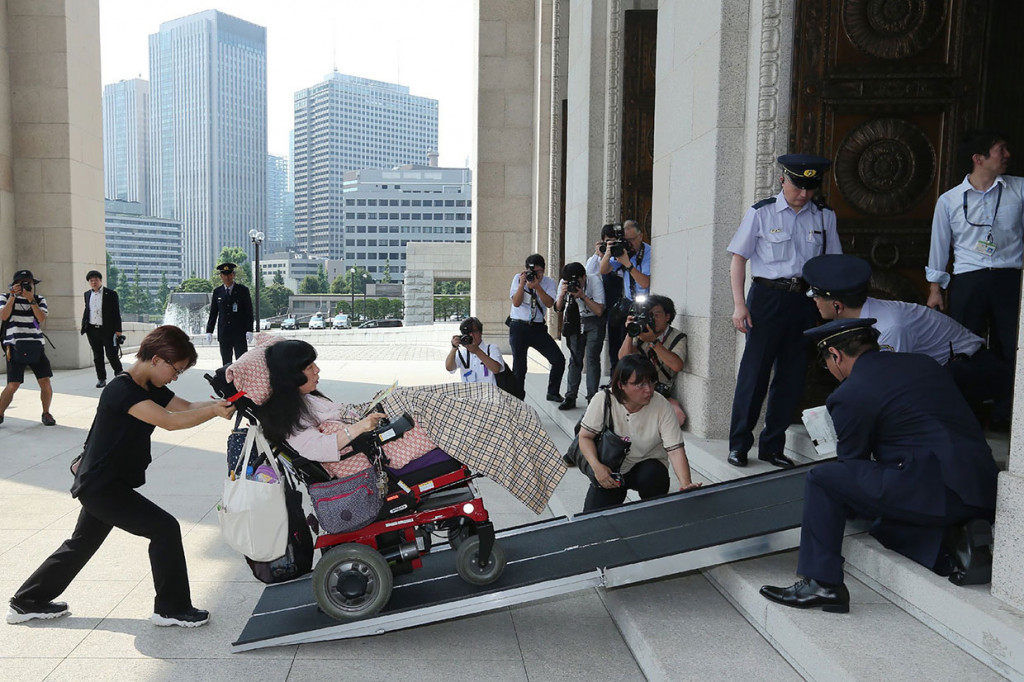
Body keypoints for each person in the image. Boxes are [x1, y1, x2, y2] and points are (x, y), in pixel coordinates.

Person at [759, 319, 998, 614]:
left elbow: (852, 464)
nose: (829, 370)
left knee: (823, 480)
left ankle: (823, 583)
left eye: (826, 363)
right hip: (983, 487)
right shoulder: (924, 363)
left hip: (934, 490)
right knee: (885, 523)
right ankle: (958, 539)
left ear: (836, 355)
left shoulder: (849, 393)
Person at [7, 326, 236, 626]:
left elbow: (188, 407)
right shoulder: (123, 389)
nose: (175, 378)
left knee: (81, 543)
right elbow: (168, 421)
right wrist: (214, 412)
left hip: (107, 483)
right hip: (102, 487)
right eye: (176, 370)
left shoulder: (149, 386)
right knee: (164, 529)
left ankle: (27, 601)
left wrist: (228, 402)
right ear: (157, 359)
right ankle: (171, 608)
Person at [726, 153, 841, 469]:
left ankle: (772, 446)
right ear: (782, 180)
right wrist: (739, 305)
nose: (803, 194)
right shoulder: (761, 213)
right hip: (767, 299)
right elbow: (738, 259)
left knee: (791, 377)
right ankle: (739, 445)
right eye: (798, 186)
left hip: (805, 302)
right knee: (754, 375)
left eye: (810, 188)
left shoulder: (824, 216)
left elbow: (833, 263)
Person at [803, 254, 1012, 424]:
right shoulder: (860, 314)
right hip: (940, 371)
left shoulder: (889, 328)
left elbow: (890, 385)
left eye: (816, 295)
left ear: (837, 306)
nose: (814, 300)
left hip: (969, 370)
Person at [927, 129, 1024, 364]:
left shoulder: (1019, 189)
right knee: (963, 347)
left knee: (1014, 346)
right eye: (1000, 150)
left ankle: (1010, 389)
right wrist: (935, 289)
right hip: (968, 279)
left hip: (1010, 278)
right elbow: (939, 246)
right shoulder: (949, 200)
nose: (1007, 155)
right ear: (978, 158)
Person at [578, 354, 701, 512]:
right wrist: (597, 467)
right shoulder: (603, 400)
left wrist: (686, 484)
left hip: (647, 468)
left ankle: (652, 514)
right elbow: (585, 437)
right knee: (592, 518)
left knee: (654, 474)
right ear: (621, 385)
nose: (648, 390)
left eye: (651, 382)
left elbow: (675, 450)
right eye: (640, 384)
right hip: (612, 469)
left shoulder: (661, 405)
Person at [259, 339, 387, 471]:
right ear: (291, 375)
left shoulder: (306, 398)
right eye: (309, 367)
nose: (317, 370)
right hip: (369, 458)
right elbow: (316, 447)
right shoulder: (288, 416)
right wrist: (359, 427)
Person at [618, 294, 687, 425]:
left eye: (656, 315)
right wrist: (630, 332)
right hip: (634, 390)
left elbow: (677, 365)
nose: (651, 319)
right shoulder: (640, 331)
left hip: (659, 392)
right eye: (648, 315)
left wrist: (653, 342)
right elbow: (623, 359)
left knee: (679, 417)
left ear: (667, 316)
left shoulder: (677, 337)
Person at [0, 270, 56, 427]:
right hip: (14, 345)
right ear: (14, 284)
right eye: (22, 282)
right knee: (13, 384)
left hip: (36, 344)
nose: (26, 285)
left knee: (45, 381)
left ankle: (46, 413)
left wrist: (31, 300)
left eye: (29, 283)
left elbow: (41, 318)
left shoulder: (39, 299)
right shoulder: (5, 297)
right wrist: (13, 296)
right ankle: (0, 413)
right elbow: (3, 316)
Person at [508, 254, 566, 402]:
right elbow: (516, 303)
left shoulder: (549, 282)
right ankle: (518, 400)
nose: (535, 275)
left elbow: (549, 304)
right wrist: (522, 285)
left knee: (558, 359)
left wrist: (537, 286)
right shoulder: (518, 278)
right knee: (519, 368)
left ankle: (553, 392)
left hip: (537, 328)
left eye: (538, 272)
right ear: (526, 269)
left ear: (544, 270)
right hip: (519, 327)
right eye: (532, 271)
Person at [554, 261, 605, 410]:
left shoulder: (594, 280)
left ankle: (592, 398)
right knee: (575, 358)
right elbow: (558, 308)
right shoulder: (564, 283)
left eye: (578, 281)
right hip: (575, 321)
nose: (574, 285)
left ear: (584, 277)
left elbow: (599, 311)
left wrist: (583, 296)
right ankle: (570, 396)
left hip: (594, 321)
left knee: (592, 359)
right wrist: (562, 294)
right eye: (570, 282)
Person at [587, 223, 626, 374]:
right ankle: (614, 375)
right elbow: (588, 273)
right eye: (608, 242)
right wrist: (600, 254)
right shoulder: (599, 258)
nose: (612, 245)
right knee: (613, 343)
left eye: (615, 241)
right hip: (609, 307)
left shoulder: (624, 255)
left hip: (626, 304)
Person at [80, 270, 124, 388]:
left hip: (107, 329)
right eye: (91, 280)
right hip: (92, 329)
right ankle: (101, 378)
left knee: (111, 353)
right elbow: (87, 310)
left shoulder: (111, 294)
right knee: (97, 356)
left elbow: (116, 312)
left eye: (96, 280)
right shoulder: (87, 294)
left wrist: (118, 330)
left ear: (100, 280)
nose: (93, 282)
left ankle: (119, 374)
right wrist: (84, 325)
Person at [206, 262, 254, 366]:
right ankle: (227, 377)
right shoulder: (217, 292)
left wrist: (249, 329)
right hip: (224, 333)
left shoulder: (242, 290)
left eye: (229, 274)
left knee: (242, 363)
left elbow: (249, 311)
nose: (227, 277)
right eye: (224, 275)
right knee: (226, 363)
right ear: (221, 276)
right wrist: (209, 330)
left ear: (233, 275)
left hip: (239, 333)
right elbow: (213, 313)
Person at [445, 317, 505, 384]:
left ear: (480, 332)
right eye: (467, 332)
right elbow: (449, 368)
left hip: (489, 389)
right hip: (470, 390)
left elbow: (496, 369)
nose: (471, 335)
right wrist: (454, 348)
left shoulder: (491, 348)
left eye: (474, 331)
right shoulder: (462, 353)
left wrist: (476, 350)